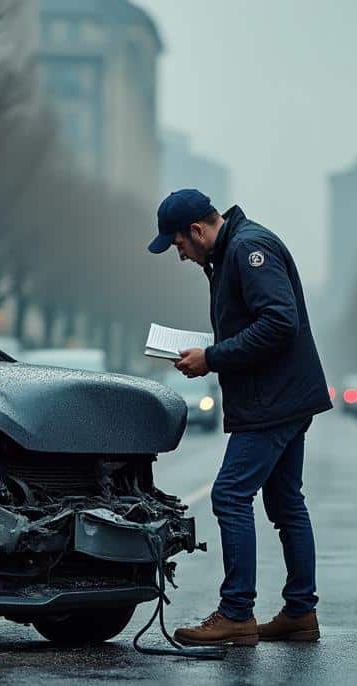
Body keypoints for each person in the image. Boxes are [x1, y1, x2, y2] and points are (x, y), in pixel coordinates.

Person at [147, 189, 331, 646]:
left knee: (229, 495)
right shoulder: (231, 251)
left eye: (178, 245)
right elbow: (257, 322)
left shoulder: (249, 250)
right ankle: (300, 613)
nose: (180, 255)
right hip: (281, 396)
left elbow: (278, 322)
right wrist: (212, 351)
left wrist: (212, 357)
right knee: (286, 502)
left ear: (197, 230)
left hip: (274, 400)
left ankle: (236, 613)